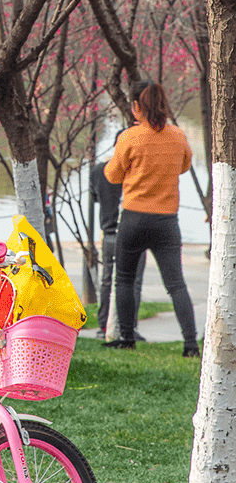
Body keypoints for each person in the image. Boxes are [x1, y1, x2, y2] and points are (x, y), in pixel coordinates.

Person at [103, 79, 199, 356]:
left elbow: (112, 175)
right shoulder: (178, 136)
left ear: (136, 107)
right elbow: (184, 165)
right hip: (166, 221)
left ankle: (127, 338)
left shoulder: (129, 138)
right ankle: (191, 344)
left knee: (124, 278)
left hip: (133, 218)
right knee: (176, 283)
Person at [89, 159, 145, 341]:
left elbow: (94, 197)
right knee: (133, 281)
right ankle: (128, 328)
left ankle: (104, 325)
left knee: (107, 280)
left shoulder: (98, 170)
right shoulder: (136, 169)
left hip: (108, 233)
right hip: (133, 232)